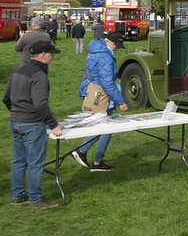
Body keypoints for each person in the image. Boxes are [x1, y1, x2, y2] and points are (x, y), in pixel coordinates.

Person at [3, 41, 63, 208]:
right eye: (51, 54)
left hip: (15, 122)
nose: (53, 57)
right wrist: (53, 124)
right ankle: (35, 199)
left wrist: (17, 113)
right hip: (31, 124)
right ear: (43, 55)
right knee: (35, 163)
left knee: (19, 161)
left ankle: (18, 196)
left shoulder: (17, 72)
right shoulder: (39, 76)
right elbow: (41, 104)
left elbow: (6, 99)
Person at [71, 31, 128, 171]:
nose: (117, 48)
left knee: (107, 128)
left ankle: (98, 162)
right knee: (104, 127)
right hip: (101, 97)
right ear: (108, 42)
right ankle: (82, 151)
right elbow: (107, 83)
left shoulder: (97, 51)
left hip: (96, 93)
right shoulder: (105, 57)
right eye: (116, 45)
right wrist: (120, 101)